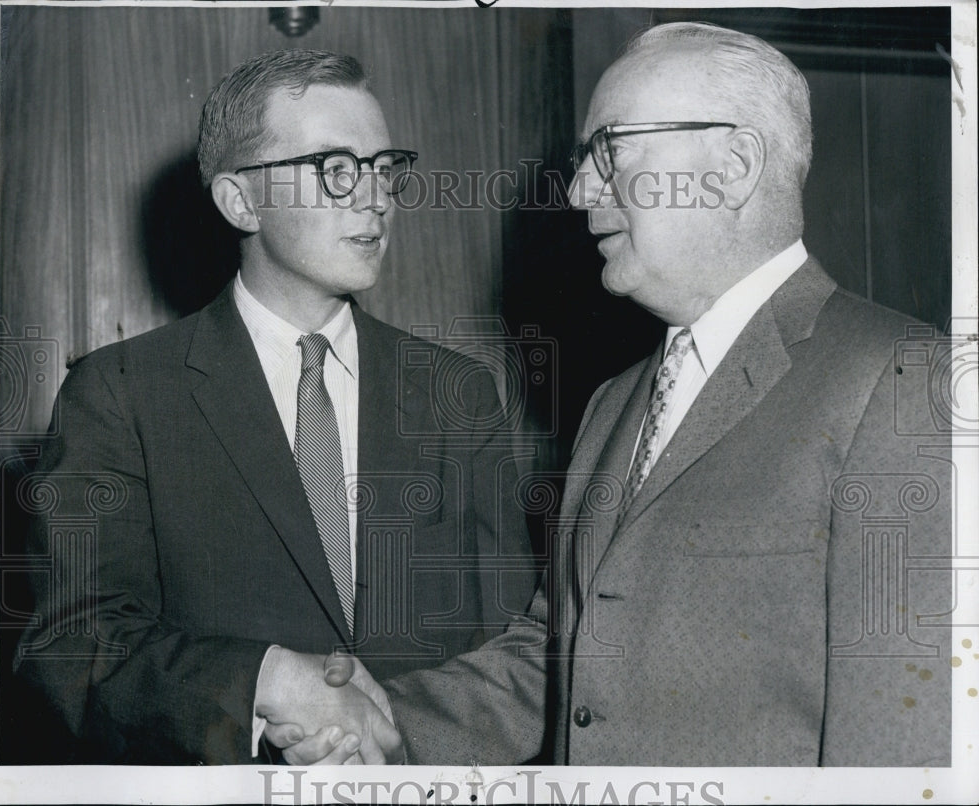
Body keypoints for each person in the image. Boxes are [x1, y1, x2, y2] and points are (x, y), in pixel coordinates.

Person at [292, 21, 953, 766]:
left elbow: (903, 750)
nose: (579, 191)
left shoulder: (903, 379)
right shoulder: (614, 402)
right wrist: (383, 724)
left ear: (733, 165)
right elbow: (561, 657)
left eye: (610, 150)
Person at [13, 49, 535, 765]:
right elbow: (75, 649)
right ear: (241, 201)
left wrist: (399, 736)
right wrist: (263, 681)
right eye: (336, 168)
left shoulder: (459, 393)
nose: (375, 198)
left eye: (385, 168)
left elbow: (515, 647)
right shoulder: (120, 394)